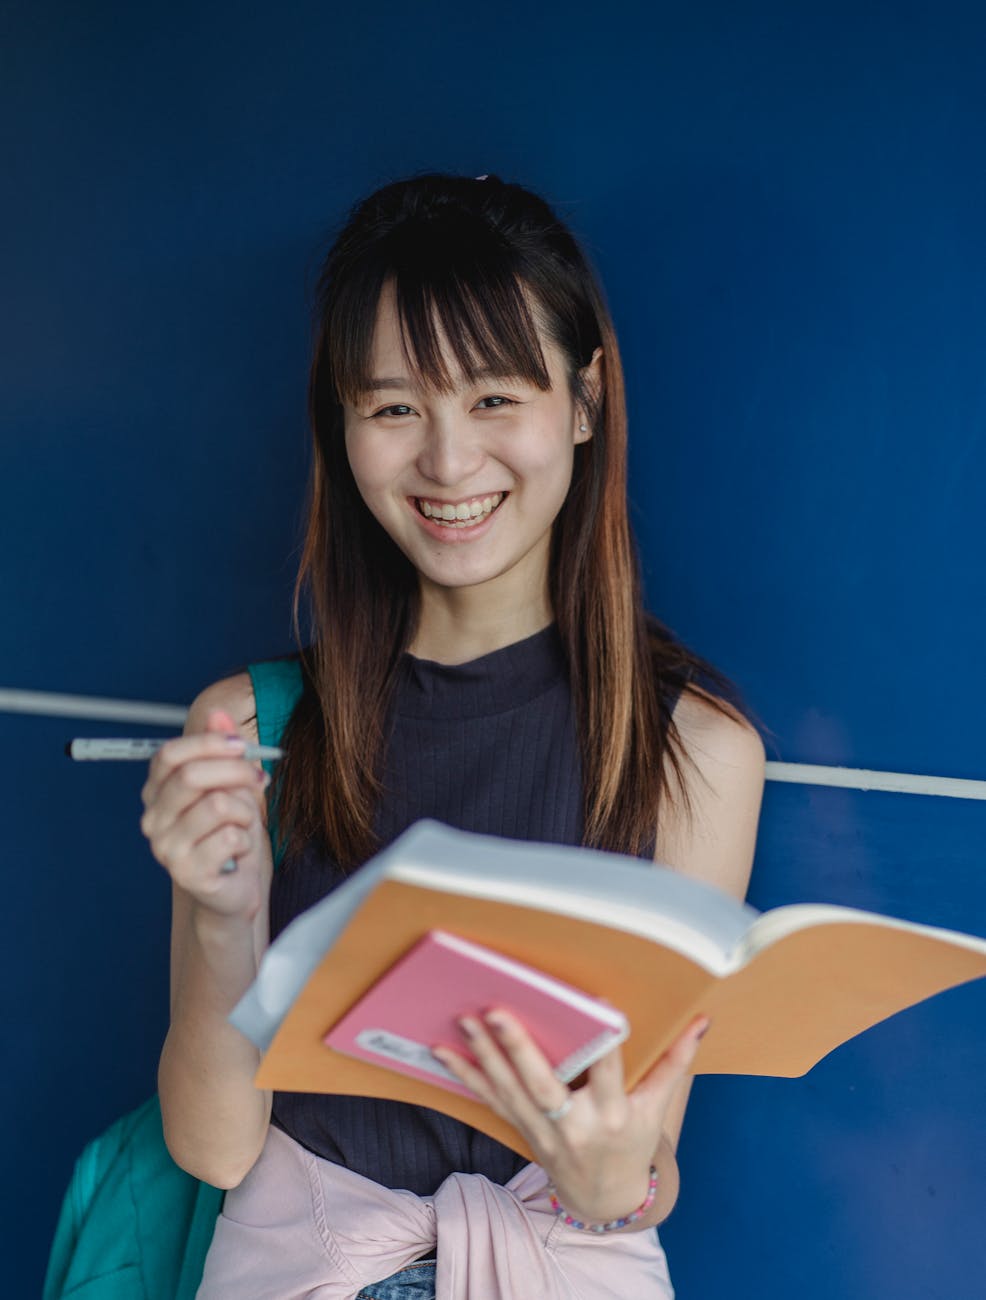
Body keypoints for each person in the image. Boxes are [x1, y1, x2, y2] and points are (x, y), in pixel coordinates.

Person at [138, 172, 765, 1299]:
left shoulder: (696, 754)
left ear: (583, 399)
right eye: (392, 407)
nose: (444, 461)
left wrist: (618, 1171)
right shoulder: (247, 731)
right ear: (341, 424)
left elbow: (643, 1157)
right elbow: (217, 1148)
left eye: (490, 398)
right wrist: (218, 912)